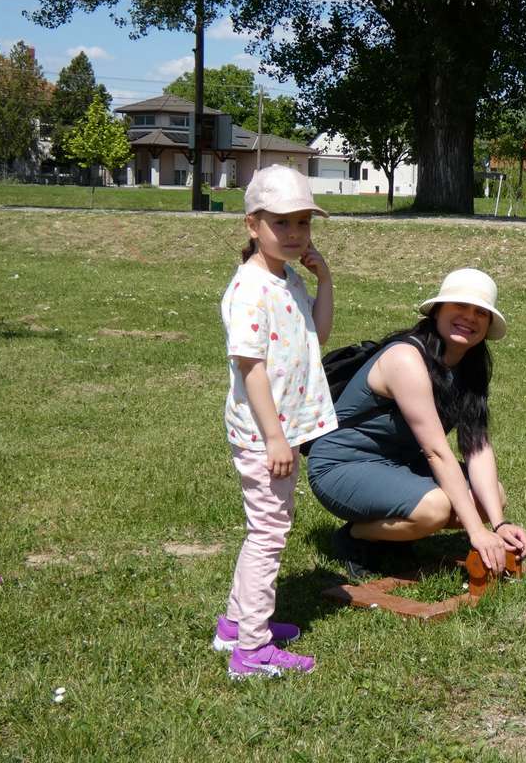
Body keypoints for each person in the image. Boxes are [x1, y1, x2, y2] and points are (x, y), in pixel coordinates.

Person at [308, 268, 526, 579]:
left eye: (481, 312)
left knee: (493, 495)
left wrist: (498, 523)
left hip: (399, 464)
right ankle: (355, 537)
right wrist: (476, 532)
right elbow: (437, 452)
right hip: (342, 465)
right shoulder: (406, 359)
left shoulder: (471, 365)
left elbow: (477, 446)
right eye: (460, 306)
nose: (470, 317)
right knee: (434, 509)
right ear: (438, 310)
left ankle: (396, 535)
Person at [215, 164, 336, 679]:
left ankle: (234, 625)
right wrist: (274, 438)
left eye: (302, 223)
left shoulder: (287, 279)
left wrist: (324, 279)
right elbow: (251, 368)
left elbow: (318, 335)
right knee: (268, 535)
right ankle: (251, 650)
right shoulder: (251, 288)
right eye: (280, 222)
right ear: (252, 224)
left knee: (266, 528)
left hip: (279, 432)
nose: (293, 233)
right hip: (266, 436)